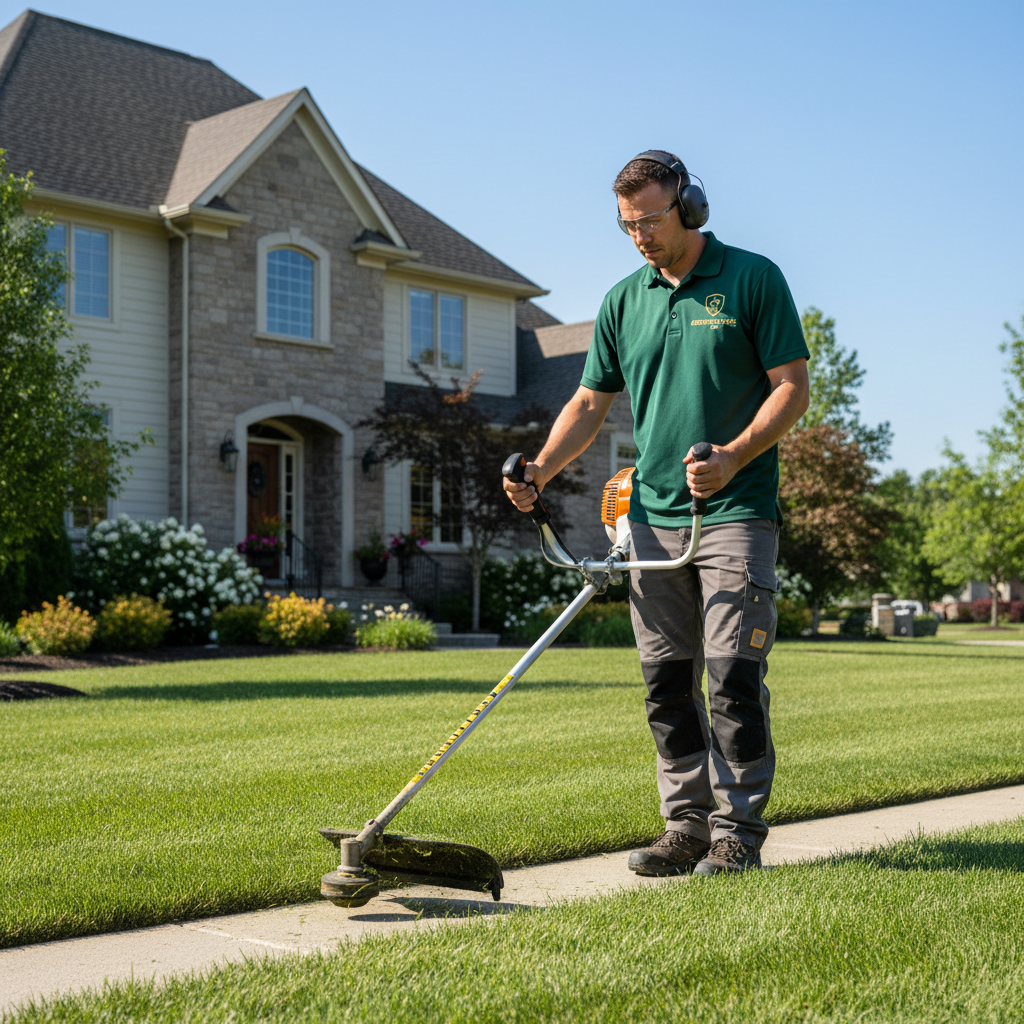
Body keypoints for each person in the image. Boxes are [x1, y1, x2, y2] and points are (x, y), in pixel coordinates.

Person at [504, 151, 810, 875]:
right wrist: (541, 469)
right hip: (650, 518)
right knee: (666, 682)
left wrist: (734, 454)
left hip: (735, 509)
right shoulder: (623, 300)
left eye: (649, 220)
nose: (639, 235)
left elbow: (791, 389)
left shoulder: (753, 279)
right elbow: (587, 403)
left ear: (690, 205)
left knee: (733, 676)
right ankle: (686, 826)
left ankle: (738, 834)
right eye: (626, 225)